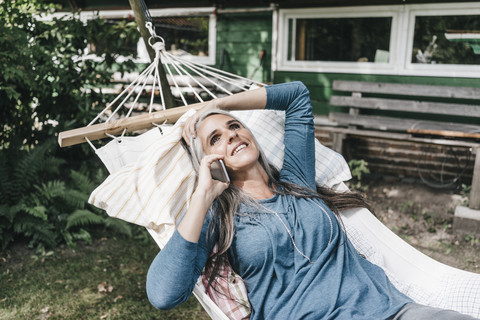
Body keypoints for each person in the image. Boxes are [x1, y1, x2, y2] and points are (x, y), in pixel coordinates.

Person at [146, 81, 477, 320]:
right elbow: (163, 296)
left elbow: (297, 96)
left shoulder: (296, 180)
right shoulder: (219, 216)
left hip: (387, 310)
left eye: (235, 127)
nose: (231, 135)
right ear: (207, 161)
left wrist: (218, 107)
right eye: (215, 139)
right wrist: (202, 196)